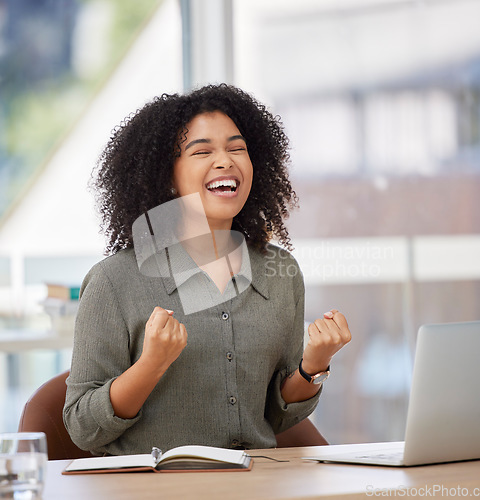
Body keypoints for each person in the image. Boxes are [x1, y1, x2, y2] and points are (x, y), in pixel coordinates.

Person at [63, 84, 351, 456]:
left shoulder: (281, 272)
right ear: (166, 176)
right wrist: (152, 364)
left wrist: (314, 366)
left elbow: (273, 418)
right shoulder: (113, 282)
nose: (225, 161)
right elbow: (82, 428)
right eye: (202, 151)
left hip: (257, 483)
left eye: (237, 148)